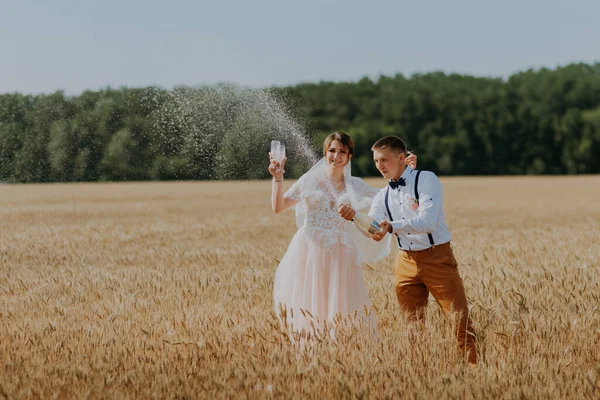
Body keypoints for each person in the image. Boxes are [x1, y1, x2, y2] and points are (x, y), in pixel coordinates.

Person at [338, 136, 478, 364]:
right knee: (412, 328)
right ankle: (418, 374)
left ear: (401, 158)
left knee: (459, 321)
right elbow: (375, 230)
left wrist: (392, 226)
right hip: (404, 262)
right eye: (375, 161)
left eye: (384, 160)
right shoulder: (383, 195)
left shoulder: (426, 179)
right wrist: (354, 217)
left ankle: (476, 371)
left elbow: (428, 221)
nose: (379, 166)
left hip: (437, 259)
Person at [268, 132, 416, 340]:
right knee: (311, 302)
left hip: (341, 253)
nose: (336, 156)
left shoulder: (355, 185)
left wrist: (407, 173)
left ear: (349, 157)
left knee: (343, 305)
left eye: (342, 152)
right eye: (332, 150)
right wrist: (277, 178)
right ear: (325, 153)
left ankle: (343, 349)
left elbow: (389, 196)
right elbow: (279, 206)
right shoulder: (310, 180)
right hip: (311, 249)